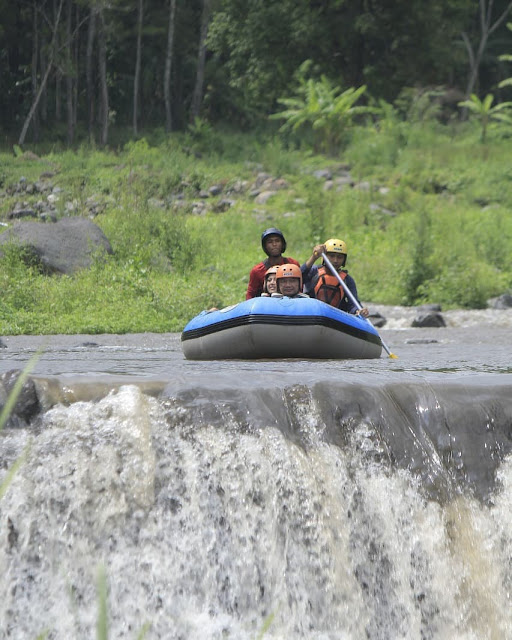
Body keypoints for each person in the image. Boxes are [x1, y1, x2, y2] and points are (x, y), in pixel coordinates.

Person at [302, 238, 369, 317]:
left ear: (344, 260)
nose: (335, 260)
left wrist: (358, 310)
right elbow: (299, 275)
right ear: (324, 257)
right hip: (312, 313)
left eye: (339, 257)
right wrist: (314, 257)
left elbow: (353, 304)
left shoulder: (347, 280)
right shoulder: (313, 272)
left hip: (336, 318)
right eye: (331, 256)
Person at [246, 227, 300, 299]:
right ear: (265, 246)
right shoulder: (257, 271)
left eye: (277, 241)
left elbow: (300, 288)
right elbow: (250, 295)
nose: (274, 244)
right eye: (270, 242)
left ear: (282, 244)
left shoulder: (293, 264)